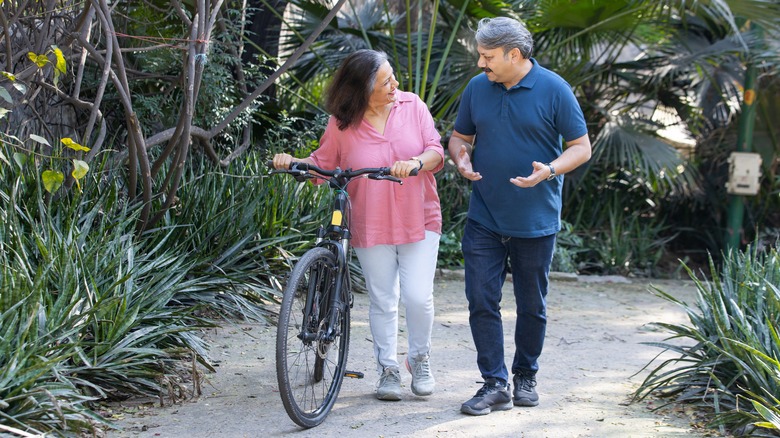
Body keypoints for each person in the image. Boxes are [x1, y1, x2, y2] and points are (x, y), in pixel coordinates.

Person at [272, 49, 445, 401]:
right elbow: (322, 163)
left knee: (418, 298)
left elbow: (436, 151)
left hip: (419, 216)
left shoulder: (412, 106)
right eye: (385, 81)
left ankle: (419, 357)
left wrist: (414, 162)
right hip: (370, 221)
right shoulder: (342, 122)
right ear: (362, 89)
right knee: (383, 299)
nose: (395, 84)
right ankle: (388, 369)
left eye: (392, 76)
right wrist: (292, 162)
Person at [447, 17, 592, 416]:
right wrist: (460, 156)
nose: (481, 64)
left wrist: (550, 170)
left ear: (515, 54)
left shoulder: (554, 89)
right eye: (480, 55)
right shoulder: (478, 88)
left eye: (488, 56)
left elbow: (581, 147)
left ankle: (525, 374)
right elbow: (461, 137)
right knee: (480, 299)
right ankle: (494, 384)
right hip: (484, 217)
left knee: (531, 305)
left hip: (535, 221)